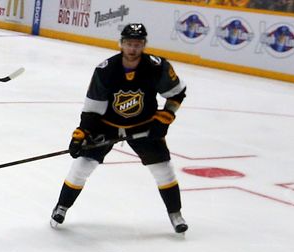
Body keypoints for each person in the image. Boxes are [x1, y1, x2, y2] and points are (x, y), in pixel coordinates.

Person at [49, 23, 189, 234]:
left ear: (144, 44)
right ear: (121, 44)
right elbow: (93, 106)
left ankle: (175, 214)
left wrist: (166, 116)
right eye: (129, 43)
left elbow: (176, 93)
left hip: (144, 125)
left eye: (138, 44)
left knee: (163, 170)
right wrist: (81, 133)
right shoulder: (106, 69)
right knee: (81, 166)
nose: (133, 48)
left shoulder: (156, 66)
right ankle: (62, 207)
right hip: (107, 125)